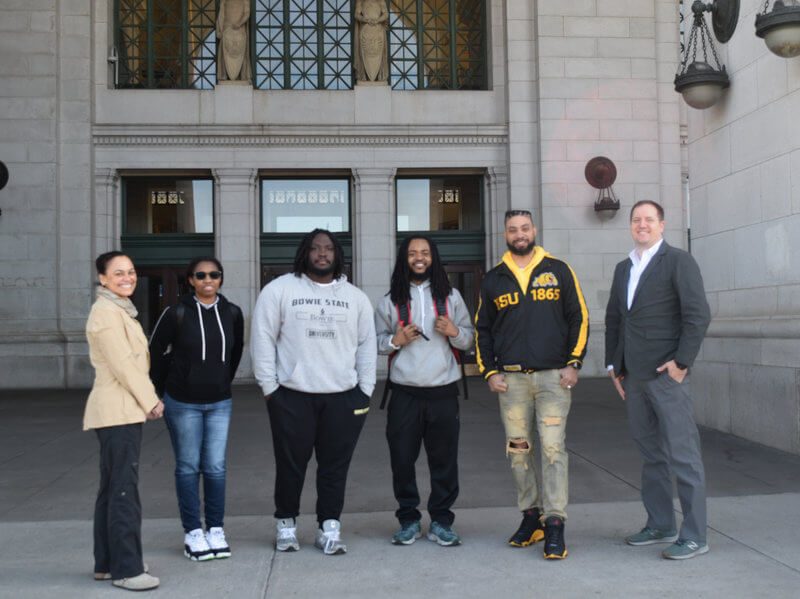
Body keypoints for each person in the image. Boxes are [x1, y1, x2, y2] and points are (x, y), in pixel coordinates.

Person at [251, 229, 376, 555]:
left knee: (335, 467)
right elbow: (262, 339)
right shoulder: (279, 290)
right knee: (290, 465)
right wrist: (270, 389)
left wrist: (365, 390)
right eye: (315, 248)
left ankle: (329, 527)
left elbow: (367, 346)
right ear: (305, 252)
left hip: (344, 396)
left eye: (329, 248)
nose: (322, 254)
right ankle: (286, 524)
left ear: (338, 254)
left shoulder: (356, 298)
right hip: (292, 395)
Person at [475, 209, 589, 560]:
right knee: (519, 452)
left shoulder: (558, 270)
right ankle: (531, 518)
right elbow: (483, 329)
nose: (519, 234)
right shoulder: (494, 279)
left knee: (553, 450)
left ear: (534, 230)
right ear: (506, 234)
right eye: (513, 229)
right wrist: (489, 371)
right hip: (511, 383)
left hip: (554, 378)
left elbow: (579, 317)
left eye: (525, 228)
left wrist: (574, 363)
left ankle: (555, 524)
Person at [605, 200, 711, 560]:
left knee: (684, 456)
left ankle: (695, 535)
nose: (642, 224)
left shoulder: (679, 261)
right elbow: (616, 320)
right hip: (633, 377)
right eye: (636, 220)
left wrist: (682, 363)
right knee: (651, 455)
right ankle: (661, 524)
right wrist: (614, 367)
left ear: (662, 225)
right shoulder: (624, 268)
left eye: (649, 219)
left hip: (667, 378)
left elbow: (697, 315)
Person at [375, 236, 474, 547]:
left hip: (443, 391)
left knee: (444, 461)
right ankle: (408, 519)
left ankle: (442, 521)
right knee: (402, 459)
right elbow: (374, 342)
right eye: (413, 253)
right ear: (404, 259)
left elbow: (470, 338)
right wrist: (396, 340)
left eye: (425, 253)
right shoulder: (390, 300)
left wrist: (455, 332)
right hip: (404, 393)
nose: (419, 258)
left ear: (434, 258)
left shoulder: (452, 297)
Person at [149, 257, 244, 561]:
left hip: (219, 402)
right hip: (182, 403)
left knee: (216, 467)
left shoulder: (232, 313)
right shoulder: (175, 312)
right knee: (188, 467)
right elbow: (153, 353)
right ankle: (193, 532)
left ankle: (215, 529)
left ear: (221, 278)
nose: (208, 279)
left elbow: (235, 352)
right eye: (200, 275)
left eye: (214, 274)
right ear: (190, 279)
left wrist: (220, 382)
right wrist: (160, 391)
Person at [84, 251, 163, 592]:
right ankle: (127, 569)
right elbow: (124, 365)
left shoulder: (117, 310)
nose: (127, 277)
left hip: (119, 410)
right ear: (102, 278)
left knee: (112, 488)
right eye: (118, 273)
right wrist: (151, 400)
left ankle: (107, 563)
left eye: (130, 271)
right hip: (118, 411)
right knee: (123, 491)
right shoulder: (106, 313)